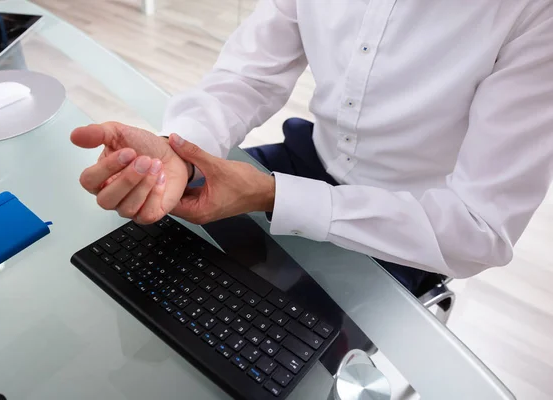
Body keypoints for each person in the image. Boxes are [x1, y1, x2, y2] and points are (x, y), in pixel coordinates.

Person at [70, 0, 553, 295]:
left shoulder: (535, 14)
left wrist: (274, 196)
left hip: (411, 226)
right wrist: (177, 151)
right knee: (145, 262)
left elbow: (480, 228)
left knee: (270, 359)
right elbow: (248, 75)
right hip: (306, 161)